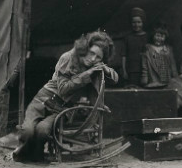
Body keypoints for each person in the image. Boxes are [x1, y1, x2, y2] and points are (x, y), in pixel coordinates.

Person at [12, 31, 119, 162]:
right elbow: (63, 89)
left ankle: (37, 154)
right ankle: (22, 154)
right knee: (27, 131)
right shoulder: (68, 58)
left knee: (42, 131)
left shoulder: (93, 67)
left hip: (60, 107)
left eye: (98, 57)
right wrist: (86, 74)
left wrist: (107, 70)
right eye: (92, 53)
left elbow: (114, 79)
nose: (92, 59)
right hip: (43, 99)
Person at [141, 22, 178, 88]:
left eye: (162, 36)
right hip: (153, 80)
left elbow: (173, 65)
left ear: (165, 37)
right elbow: (144, 66)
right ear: (153, 35)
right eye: (157, 35)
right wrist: (144, 78)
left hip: (166, 80)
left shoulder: (168, 49)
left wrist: (175, 78)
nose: (159, 38)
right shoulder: (148, 49)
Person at [122, 7, 148, 87]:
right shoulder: (128, 37)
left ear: (142, 22)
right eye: (134, 22)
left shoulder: (147, 37)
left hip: (145, 72)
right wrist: (124, 71)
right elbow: (124, 56)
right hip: (131, 71)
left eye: (139, 22)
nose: (136, 25)